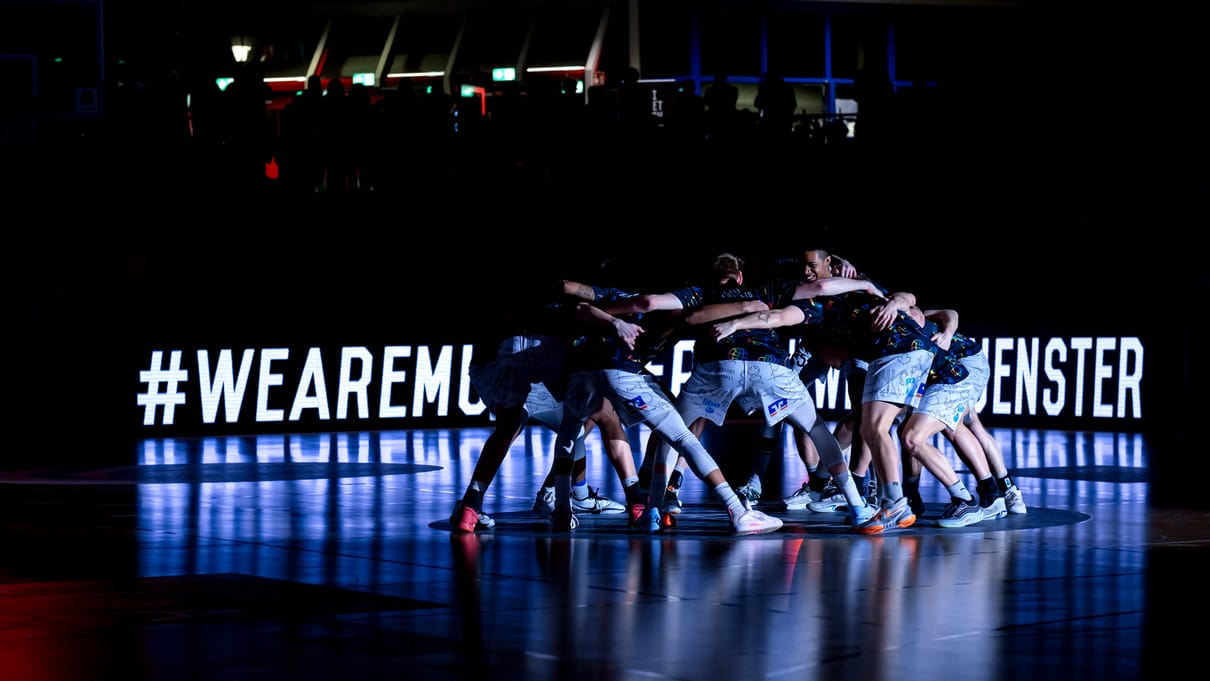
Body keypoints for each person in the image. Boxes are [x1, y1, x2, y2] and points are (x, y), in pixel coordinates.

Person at [604, 253, 882, 529]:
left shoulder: (700, 291)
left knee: (673, 434)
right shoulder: (765, 289)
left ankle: (653, 513)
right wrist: (865, 285)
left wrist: (605, 315)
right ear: (739, 276)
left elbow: (650, 302)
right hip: (769, 366)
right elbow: (821, 287)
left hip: (718, 367)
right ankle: (858, 507)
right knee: (818, 431)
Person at [709, 286, 975, 533]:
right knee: (873, 428)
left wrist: (736, 323)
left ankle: (900, 500)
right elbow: (905, 298)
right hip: (915, 355)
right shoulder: (859, 299)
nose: (830, 366)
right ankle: (892, 500)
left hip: (914, 358)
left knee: (880, 429)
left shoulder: (820, 306)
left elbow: (776, 317)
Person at [555, 264, 786, 535]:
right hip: (618, 372)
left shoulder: (623, 301)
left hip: (584, 375)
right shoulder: (647, 301)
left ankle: (563, 508)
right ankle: (737, 510)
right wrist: (748, 307)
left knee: (570, 435)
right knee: (683, 437)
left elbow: (580, 306)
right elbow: (593, 306)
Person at [448, 278, 628, 533]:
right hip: (516, 354)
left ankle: (475, 504)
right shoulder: (557, 295)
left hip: (508, 362)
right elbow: (566, 290)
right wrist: (611, 308)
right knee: (589, 409)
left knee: (581, 413)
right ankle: (622, 499)